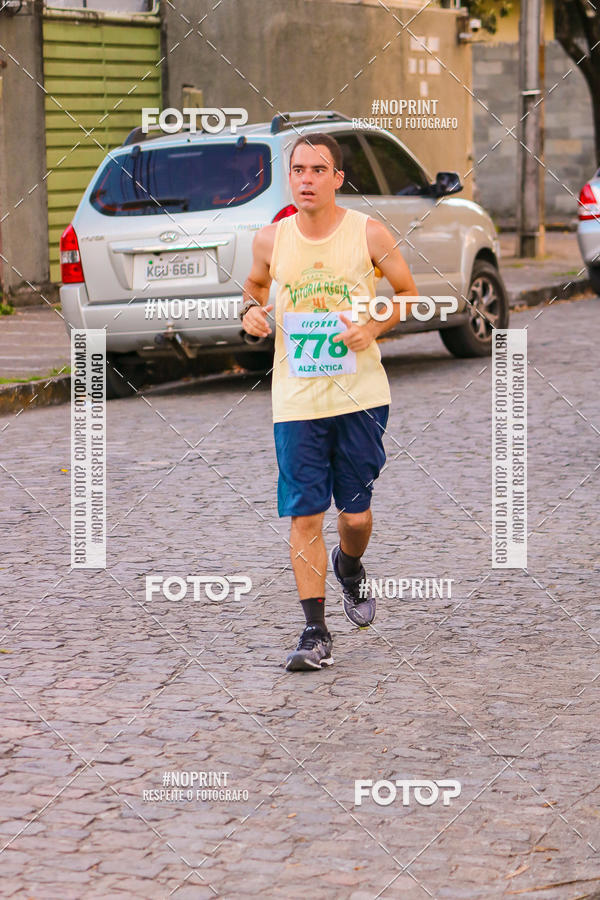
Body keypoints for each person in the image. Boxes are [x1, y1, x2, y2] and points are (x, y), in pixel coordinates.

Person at [240, 132, 417, 671]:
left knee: (356, 516)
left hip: (360, 394)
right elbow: (252, 291)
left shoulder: (369, 233)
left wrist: (374, 328)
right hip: (296, 398)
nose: (307, 179)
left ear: (338, 178)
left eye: (318, 170)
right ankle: (314, 631)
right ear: (289, 178)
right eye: (298, 170)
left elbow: (410, 295)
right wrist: (250, 316)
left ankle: (351, 565)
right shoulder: (271, 240)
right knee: (304, 516)